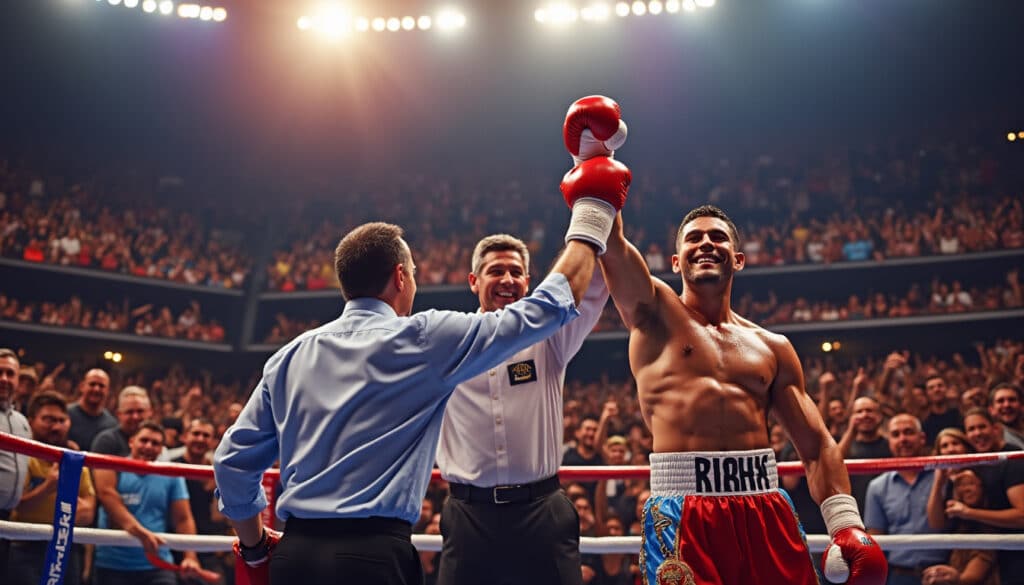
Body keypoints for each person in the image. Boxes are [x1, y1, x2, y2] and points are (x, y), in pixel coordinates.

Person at [214, 144, 631, 585]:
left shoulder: (289, 355)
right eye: (413, 271)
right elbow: (549, 306)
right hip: (378, 551)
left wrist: (256, 545)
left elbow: (233, 460)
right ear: (400, 277)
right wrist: (590, 197)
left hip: (296, 556)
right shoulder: (424, 339)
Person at [594, 111, 886, 584]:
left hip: (765, 503)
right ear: (674, 260)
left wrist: (845, 525)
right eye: (694, 238)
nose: (705, 243)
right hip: (683, 509)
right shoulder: (653, 315)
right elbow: (612, 246)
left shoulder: (772, 346)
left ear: (739, 258)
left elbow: (816, 445)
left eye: (717, 237)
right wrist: (594, 160)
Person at [434, 231, 608, 585]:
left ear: (529, 282)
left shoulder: (551, 337)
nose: (507, 280)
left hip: (541, 511)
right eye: (496, 271)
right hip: (470, 515)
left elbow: (594, 282)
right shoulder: (446, 344)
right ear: (473, 281)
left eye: (516, 272)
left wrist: (595, 211)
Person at [94, 421, 205, 584]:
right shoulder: (114, 468)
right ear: (131, 442)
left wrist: (190, 557)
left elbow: (183, 519)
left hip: (157, 563)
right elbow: (107, 496)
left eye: (155, 443)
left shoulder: (171, 474)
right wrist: (141, 533)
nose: (148, 446)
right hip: (112, 564)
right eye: (144, 440)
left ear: (161, 449)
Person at [9, 391, 96, 585]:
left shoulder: (74, 460)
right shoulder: (21, 457)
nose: (56, 426)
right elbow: (17, 507)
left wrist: (43, 503)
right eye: (48, 419)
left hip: (65, 545)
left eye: (61, 420)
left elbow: (88, 513)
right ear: (31, 421)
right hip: (25, 546)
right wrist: (49, 487)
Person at [863, 415, 946, 583]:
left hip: (943, 569)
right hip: (899, 574)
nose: (903, 439)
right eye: (896, 434)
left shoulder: (944, 476)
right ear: (889, 442)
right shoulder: (877, 486)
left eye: (908, 432)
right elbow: (874, 539)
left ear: (922, 438)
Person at [0, 347, 31, 579]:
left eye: (10, 373)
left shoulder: (21, 421)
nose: (4, 379)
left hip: (9, 516)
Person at [90, 386, 154, 457]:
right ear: (119, 414)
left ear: (150, 412)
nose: (135, 417)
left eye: (140, 411)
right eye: (129, 412)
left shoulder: (157, 441)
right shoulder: (106, 441)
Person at [67, 368, 117, 451]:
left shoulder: (112, 424)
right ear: (82, 386)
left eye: (101, 386)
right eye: (92, 384)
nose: (96, 389)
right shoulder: (65, 415)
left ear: (108, 391)